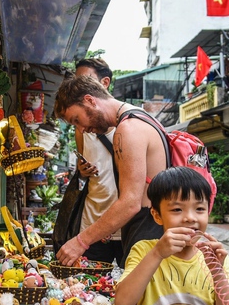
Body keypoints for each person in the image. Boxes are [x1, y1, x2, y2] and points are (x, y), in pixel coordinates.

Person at [114, 167, 229, 305]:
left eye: (199, 209)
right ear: (156, 214)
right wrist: (157, 254)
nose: (190, 218)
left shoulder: (215, 258)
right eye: (177, 210)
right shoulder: (145, 251)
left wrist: (217, 272)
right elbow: (122, 303)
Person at [53, 74, 167, 267]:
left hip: (146, 232)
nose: (81, 130)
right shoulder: (143, 118)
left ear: (89, 100)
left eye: (77, 119)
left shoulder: (128, 129)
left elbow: (130, 203)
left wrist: (80, 241)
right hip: (153, 229)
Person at [72, 58, 122, 264]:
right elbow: (85, 171)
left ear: (105, 83)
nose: (77, 88)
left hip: (125, 223)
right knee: (91, 290)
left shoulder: (127, 124)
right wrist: (82, 171)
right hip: (92, 223)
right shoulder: (80, 128)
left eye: (85, 80)